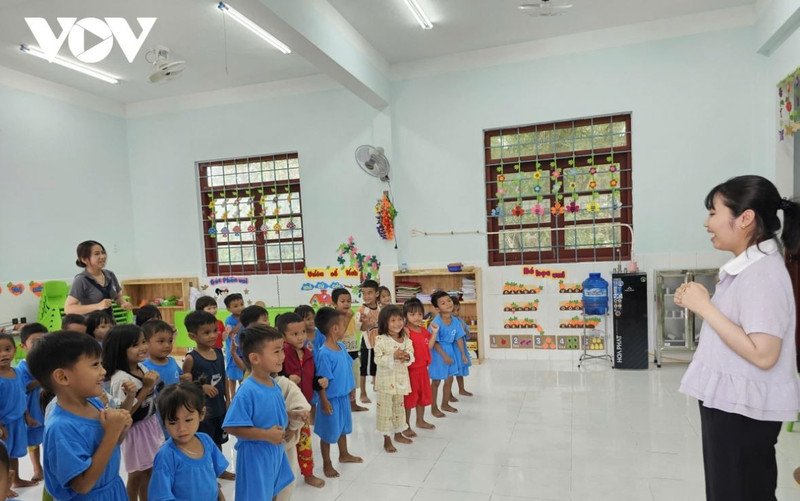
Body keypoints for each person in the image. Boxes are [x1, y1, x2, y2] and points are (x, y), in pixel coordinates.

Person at [677, 175, 800, 501]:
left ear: (745, 218)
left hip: (742, 413)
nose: (707, 222)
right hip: (733, 404)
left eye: (714, 212)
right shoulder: (749, 268)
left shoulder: (763, 274)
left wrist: (704, 306)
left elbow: (764, 353)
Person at [27, 331, 132, 500]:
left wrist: (121, 428)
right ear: (62, 377)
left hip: (112, 489)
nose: (103, 371)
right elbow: (82, 485)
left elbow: (110, 445)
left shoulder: (94, 403)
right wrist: (112, 433)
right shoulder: (61, 427)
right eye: (95, 365)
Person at [222, 324, 295, 501]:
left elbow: (269, 412)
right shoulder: (248, 390)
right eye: (276, 352)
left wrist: (292, 416)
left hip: (274, 452)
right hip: (255, 457)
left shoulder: (273, 383)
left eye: (282, 350)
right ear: (255, 358)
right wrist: (266, 435)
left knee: (272, 491)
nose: (282, 356)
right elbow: (232, 426)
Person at [103, 325, 164, 500]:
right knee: (137, 474)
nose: (143, 347)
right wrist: (145, 388)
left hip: (149, 424)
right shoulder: (121, 378)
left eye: (144, 342)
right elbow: (124, 413)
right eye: (135, 345)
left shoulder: (141, 368)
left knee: (149, 470)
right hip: (136, 431)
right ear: (120, 349)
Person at [148, 382, 229, 501]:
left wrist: (220, 497)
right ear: (163, 422)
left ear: (201, 414)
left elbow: (212, 478)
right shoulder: (166, 456)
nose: (181, 428)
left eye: (188, 420)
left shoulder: (206, 441)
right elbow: (161, 496)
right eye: (172, 422)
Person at [182, 311, 235, 481]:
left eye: (214, 331)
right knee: (204, 442)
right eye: (206, 332)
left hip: (219, 406)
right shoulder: (191, 358)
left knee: (218, 441)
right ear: (192, 336)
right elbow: (184, 384)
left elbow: (224, 376)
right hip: (202, 411)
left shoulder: (219, 353)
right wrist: (201, 386)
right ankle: (207, 474)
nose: (213, 335)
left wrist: (228, 398)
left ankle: (219, 470)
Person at [277, 312, 326, 488]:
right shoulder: (281, 354)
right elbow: (274, 377)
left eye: (303, 332)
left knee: (304, 442)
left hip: (302, 407)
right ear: (283, 336)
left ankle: (308, 473)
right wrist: (287, 377)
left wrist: (319, 381)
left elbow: (310, 376)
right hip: (283, 409)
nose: (300, 337)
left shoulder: (308, 353)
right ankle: (280, 476)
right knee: (284, 444)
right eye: (294, 334)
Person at [313, 307, 363, 478]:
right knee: (328, 433)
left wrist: (350, 390)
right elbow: (321, 382)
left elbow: (346, 370)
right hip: (330, 400)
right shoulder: (324, 354)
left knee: (342, 428)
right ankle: (327, 464)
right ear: (334, 328)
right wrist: (324, 401)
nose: (344, 329)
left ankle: (344, 454)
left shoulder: (341, 347)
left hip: (342, 398)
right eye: (343, 326)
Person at [0, 333, 39, 498]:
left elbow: (21, 396)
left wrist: (27, 416)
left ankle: (16, 479)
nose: (3, 354)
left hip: (18, 422)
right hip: (4, 424)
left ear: (15, 351)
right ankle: (4, 485)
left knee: (15, 453)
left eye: (7, 349)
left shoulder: (17, 373)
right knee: (4, 457)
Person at [373, 305, 415, 453]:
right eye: (393, 320)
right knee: (385, 411)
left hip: (400, 381)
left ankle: (398, 433)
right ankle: (387, 439)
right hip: (386, 383)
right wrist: (393, 356)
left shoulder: (406, 339)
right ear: (385, 323)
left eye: (399, 319)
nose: (397, 323)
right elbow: (378, 359)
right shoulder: (381, 339)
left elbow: (411, 353)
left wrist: (407, 356)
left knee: (399, 408)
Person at [65, 240, 132, 316]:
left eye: (103, 252)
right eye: (97, 254)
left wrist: (123, 303)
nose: (103, 256)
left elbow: (118, 297)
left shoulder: (110, 275)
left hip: (109, 323)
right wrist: (97, 306)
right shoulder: (81, 280)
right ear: (84, 259)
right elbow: (68, 309)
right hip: (91, 324)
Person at [17, 323, 48, 484]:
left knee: (48, 438)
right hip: (32, 409)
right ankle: (37, 468)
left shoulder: (49, 362)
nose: (40, 345)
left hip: (47, 408)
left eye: (43, 340)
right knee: (33, 441)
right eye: (35, 341)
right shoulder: (21, 368)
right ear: (23, 346)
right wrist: (41, 380)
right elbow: (22, 388)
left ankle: (49, 466)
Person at [402, 299, 437, 434]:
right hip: (410, 371)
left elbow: (429, 346)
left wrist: (434, 333)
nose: (417, 317)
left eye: (419, 314)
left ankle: (420, 420)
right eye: (412, 314)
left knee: (422, 397)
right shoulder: (405, 331)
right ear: (405, 316)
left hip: (423, 370)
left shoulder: (423, 330)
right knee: (409, 399)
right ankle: (406, 426)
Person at [332, 288, 367, 412]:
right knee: (342, 380)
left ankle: (353, 404)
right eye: (343, 301)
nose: (347, 304)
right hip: (341, 354)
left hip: (353, 352)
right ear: (334, 304)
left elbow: (358, 329)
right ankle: (343, 405)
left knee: (353, 379)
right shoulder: (334, 318)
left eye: (349, 301)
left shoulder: (351, 316)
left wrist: (365, 322)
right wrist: (347, 318)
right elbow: (339, 335)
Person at [428, 291, 461, 417]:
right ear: (437, 308)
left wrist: (461, 354)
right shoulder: (436, 322)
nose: (448, 304)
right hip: (438, 354)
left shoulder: (454, 320)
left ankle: (445, 403)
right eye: (443, 303)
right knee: (436, 382)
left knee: (450, 379)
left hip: (450, 351)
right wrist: (444, 356)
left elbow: (458, 337)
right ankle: (434, 407)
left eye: (449, 301)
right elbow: (434, 342)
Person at [142, 320, 188, 387]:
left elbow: (179, 376)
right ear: (145, 342)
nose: (167, 345)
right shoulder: (143, 366)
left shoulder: (172, 361)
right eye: (161, 341)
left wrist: (184, 377)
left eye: (170, 341)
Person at [356, 280, 380, 405]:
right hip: (367, 343)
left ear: (377, 294)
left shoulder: (380, 308)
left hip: (379, 343)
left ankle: (378, 386)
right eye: (364, 293)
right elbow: (360, 328)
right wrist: (367, 324)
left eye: (369, 293)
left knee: (378, 366)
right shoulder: (362, 310)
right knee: (364, 368)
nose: (366, 296)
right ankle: (363, 393)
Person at [223, 294, 246, 400]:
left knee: (243, 374)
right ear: (229, 309)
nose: (240, 308)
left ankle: (242, 394)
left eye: (241, 304)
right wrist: (241, 322)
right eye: (236, 306)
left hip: (243, 351)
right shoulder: (229, 320)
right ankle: (232, 396)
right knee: (232, 376)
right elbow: (232, 332)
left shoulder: (245, 317)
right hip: (233, 352)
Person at [450, 297, 473, 399]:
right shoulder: (447, 323)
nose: (456, 313)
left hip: (460, 351)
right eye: (453, 310)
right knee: (450, 373)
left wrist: (464, 329)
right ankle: (449, 393)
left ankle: (461, 389)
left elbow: (468, 335)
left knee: (460, 371)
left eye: (458, 310)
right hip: (452, 351)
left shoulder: (460, 321)